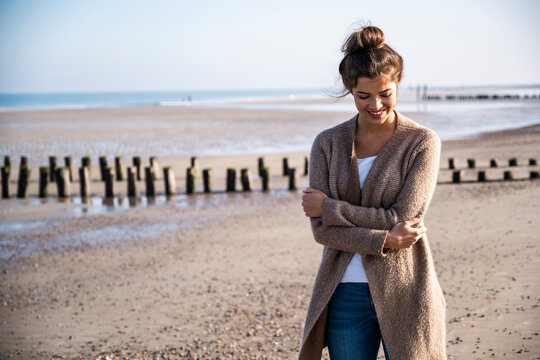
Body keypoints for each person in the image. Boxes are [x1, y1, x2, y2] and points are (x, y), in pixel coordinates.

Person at [299, 26, 446, 360]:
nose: (376, 105)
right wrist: (385, 239)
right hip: (344, 292)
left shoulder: (421, 143)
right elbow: (322, 232)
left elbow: (401, 219)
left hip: (406, 286)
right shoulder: (327, 144)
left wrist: (330, 208)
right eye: (363, 96)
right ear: (350, 90)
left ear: (398, 84)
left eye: (386, 93)